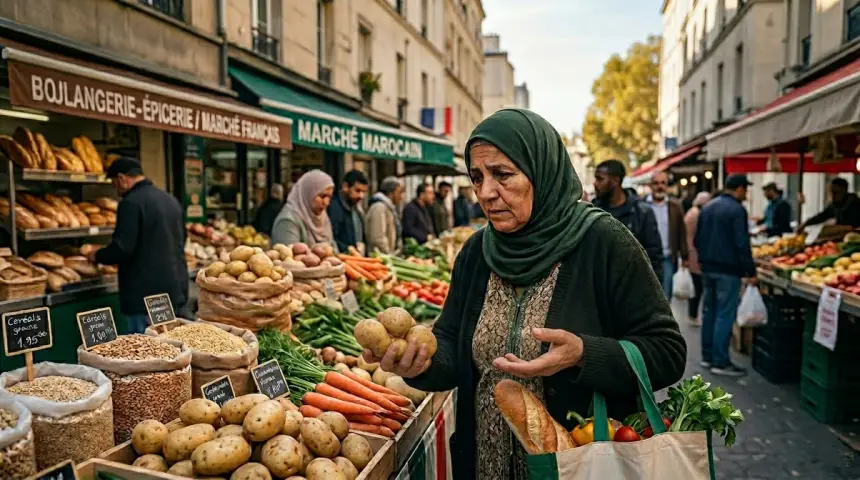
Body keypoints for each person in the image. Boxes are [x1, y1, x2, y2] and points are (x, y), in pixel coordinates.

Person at [364, 109, 686, 480]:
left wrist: (584, 354)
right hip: (485, 466)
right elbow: (452, 344)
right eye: (477, 177)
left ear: (541, 171)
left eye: (502, 174)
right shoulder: (476, 253)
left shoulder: (604, 243)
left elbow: (668, 352)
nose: (486, 192)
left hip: (582, 465)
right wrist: (420, 365)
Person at [89, 157, 188, 334]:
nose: (115, 188)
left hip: (143, 296)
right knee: (170, 347)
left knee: (144, 351)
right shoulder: (170, 200)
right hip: (173, 290)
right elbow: (182, 240)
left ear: (121, 178)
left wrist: (96, 255)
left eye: (114, 183)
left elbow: (123, 248)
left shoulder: (130, 203)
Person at [695, 174, 756, 377]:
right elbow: (741, 244)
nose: (745, 193)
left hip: (708, 267)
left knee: (709, 311)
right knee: (724, 314)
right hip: (728, 270)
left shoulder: (708, 207)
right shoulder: (737, 210)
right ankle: (720, 361)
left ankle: (707, 356)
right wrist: (750, 270)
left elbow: (697, 239)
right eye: (745, 189)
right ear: (738, 188)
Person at [593, 160, 664, 276]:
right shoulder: (593, 211)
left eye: (600, 179)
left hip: (633, 284)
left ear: (616, 180)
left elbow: (654, 253)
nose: (595, 184)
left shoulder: (642, 211)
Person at [646, 172, 688, 298]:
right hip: (645, 258)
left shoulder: (675, 207)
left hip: (667, 258)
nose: (660, 186)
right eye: (656, 183)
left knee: (665, 294)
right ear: (650, 185)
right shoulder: (641, 205)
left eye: (663, 183)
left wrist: (685, 256)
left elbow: (681, 232)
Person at [271, 169, 336, 248]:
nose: (326, 202)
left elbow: (333, 250)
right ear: (308, 193)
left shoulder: (322, 217)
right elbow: (288, 257)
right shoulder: (287, 221)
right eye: (322, 196)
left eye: (329, 197)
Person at [684, 191, 711, 326]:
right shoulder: (696, 214)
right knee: (697, 286)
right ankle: (693, 314)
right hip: (694, 252)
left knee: (696, 286)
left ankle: (692, 314)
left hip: (691, 251)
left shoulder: (691, 212)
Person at [328, 170, 368, 253]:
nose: (361, 196)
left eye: (364, 192)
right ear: (345, 186)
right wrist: (347, 248)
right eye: (357, 191)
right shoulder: (334, 207)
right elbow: (331, 239)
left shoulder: (356, 209)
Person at [365, 177, 404, 254]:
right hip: (380, 258)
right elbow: (378, 238)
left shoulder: (388, 208)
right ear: (391, 192)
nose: (401, 197)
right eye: (399, 192)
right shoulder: (379, 207)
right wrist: (389, 255)